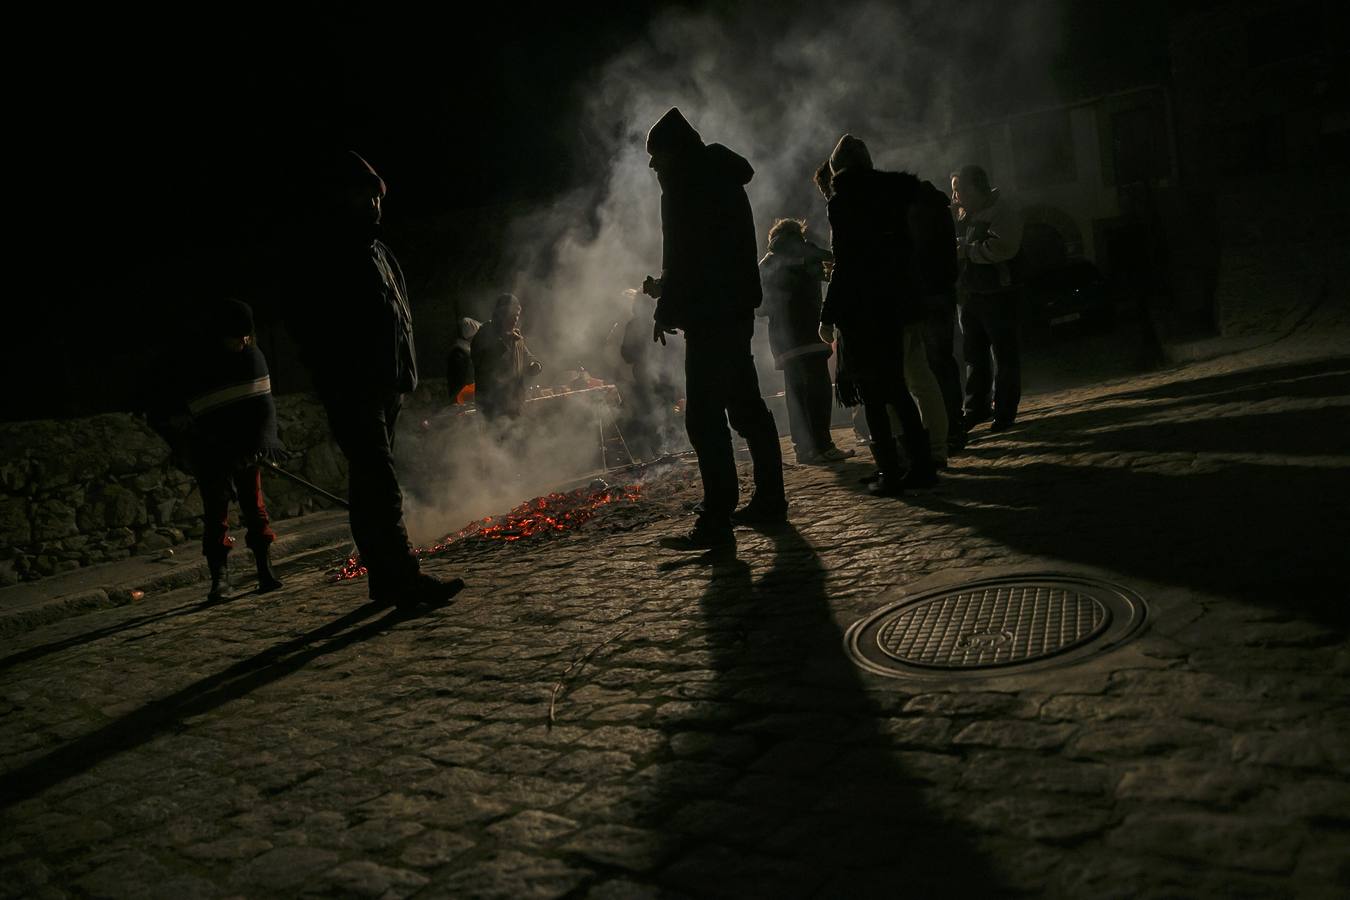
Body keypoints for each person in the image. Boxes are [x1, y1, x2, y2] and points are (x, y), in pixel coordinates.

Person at [284, 150, 463, 609]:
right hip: (354, 388)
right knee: (380, 486)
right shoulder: (328, 253)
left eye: (376, 199)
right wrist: (343, 378)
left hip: (385, 385)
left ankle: (384, 583)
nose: (374, 207)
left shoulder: (379, 252)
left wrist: (403, 376)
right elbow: (312, 328)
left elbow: (399, 315)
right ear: (343, 199)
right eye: (365, 198)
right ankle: (402, 579)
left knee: (370, 489)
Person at [643, 106, 785, 550]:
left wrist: (666, 307)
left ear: (674, 152)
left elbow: (686, 254)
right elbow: (713, 254)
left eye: (656, 155)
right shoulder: (722, 178)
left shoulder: (686, 186)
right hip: (733, 309)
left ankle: (717, 519)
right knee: (745, 408)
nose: (653, 165)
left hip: (709, 316)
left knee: (704, 417)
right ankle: (770, 500)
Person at [819, 134, 938, 496]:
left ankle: (889, 471)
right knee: (898, 389)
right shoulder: (895, 194)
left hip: (863, 308)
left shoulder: (844, 203)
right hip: (896, 304)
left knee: (872, 394)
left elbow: (847, 264)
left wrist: (828, 315)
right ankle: (921, 465)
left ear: (838, 169)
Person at [145, 299, 283, 601]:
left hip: (247, 449)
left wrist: (262, 443)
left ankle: (265, 569)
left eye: (247, 335)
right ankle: (219, 580)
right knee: (216, 513)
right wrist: (204, 446)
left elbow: (262, 406)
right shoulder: (193, 365)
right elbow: (183, 413)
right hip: (211, 451)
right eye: (237, 336)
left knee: (255, 508)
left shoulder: (252, 357)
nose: (244, 341)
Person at [757, 217, 851, 465]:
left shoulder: (766, 263)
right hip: (810, 332)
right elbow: (833, 260)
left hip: (783, 341)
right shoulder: (805, 249)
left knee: (796, 395)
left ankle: (804, 450)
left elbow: (760, 307)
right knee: (819, 391)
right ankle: (823, 445)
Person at [952, 163, 1024, 432]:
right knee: (974, 356)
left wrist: (967, 251)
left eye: (958, 189)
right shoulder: (964, 216)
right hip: (970, 296)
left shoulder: (1004, 210)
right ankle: (976, 408)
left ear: (974, 188)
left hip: (999, 295)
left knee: (1004, 356)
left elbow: (1004, 248)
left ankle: (1004, 412)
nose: (955, 196)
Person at [618, 288, 680, 460]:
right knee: (661, 416)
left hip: (650, 378)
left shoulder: (635, 325)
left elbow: (626, 355)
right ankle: (665, 454)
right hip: (662, 378)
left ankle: (660, 454)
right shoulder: (663, 320)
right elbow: (674, 348)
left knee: (652, 417)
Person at [469, 293, 542, 425]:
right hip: (492, 407)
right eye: (512, 314)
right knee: (495, 443)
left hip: (515, 404)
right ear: (500, 314)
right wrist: (504, 342)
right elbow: (482, 364)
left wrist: (535, 365)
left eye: (517, 315)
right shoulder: (485, 333)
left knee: (516, 442)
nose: (515, 319)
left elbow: (528, 356)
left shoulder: (516, 337)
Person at [446, 317, 480, 405]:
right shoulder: (460, 353)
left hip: (464, 398)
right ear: (471, 337)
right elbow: (463, 382)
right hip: (462, 400)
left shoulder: (462, 351)